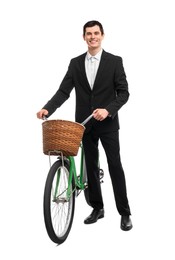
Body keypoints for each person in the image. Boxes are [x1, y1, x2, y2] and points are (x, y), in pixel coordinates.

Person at [37, 20, 132, 231]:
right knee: (89, 166)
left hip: (107, 124)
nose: (92, 37)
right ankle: (97, 208)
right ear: (84, 37)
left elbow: (124, 93)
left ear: (102, 35)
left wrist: (108, 109)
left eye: (96, 33)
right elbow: (64, 91)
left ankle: (124, 212)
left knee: (114, 166)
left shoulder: (115, 61)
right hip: (84, 125)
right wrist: (47, 108)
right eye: (89, 34)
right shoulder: (75, 63)